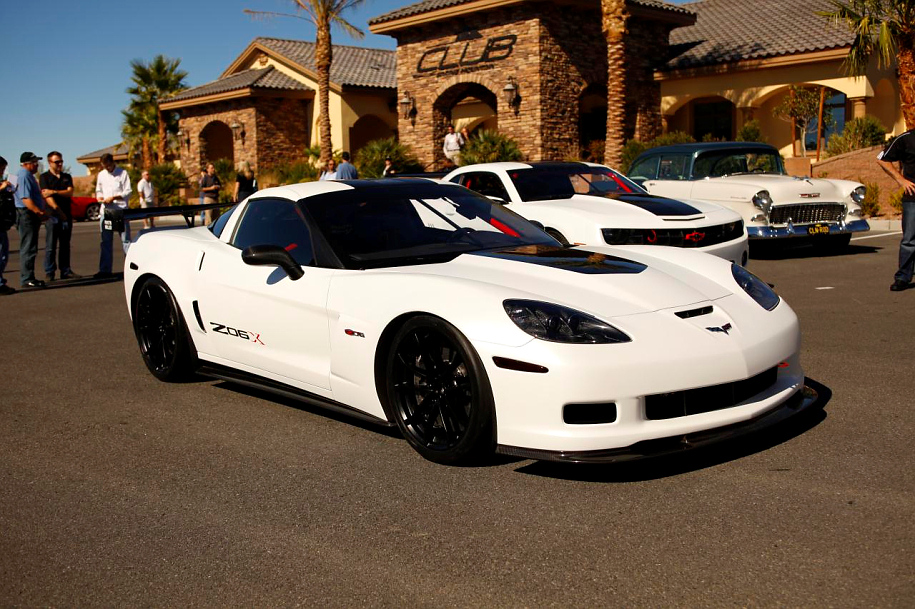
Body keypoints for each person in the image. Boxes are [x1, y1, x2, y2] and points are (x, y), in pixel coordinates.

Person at [877, 130, 915, 292]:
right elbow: (882, 159)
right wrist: (901, 180)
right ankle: (903, 277)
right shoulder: (906, 139)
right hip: (913, 199)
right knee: (909, 240)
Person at [40, 151, 81, 280]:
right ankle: (50, 271)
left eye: (61, 161)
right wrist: (58, 211)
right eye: (56, 162)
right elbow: (47, 197)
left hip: (66, 215)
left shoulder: (66, 177)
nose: (59, 164)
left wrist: (54, 191)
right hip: (53, 215)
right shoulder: (44, 177)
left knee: (65, 244)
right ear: (49, 163)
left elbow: (69, 193)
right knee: (51, 245)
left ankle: (65, 270)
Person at [14, 152, 50, 288]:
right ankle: (27, 278)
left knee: (30, 246)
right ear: (27, 163)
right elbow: (25, 199)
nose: (37, 164)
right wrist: (39, 212)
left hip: (28, 215)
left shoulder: (25, 175)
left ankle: (29, 276)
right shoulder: (24, 175)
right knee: (28, 247)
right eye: (35, 162)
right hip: (27, 215)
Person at [95, 152, 132, 279]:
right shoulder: (101, 175)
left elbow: (128, 191)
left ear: (112, 163)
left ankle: (130, 269)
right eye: (105, 166)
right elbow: (98, 190)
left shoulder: (123, 173)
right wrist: (100, 198)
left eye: (109, 166)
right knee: (105, 241)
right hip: (106, 211)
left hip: (120, 210)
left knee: (126, 240)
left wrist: (115, 197)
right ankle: (105, 270)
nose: (107, 168)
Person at [0, 156, 16, 295]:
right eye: (1, 169)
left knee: (3, 253)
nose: (2, 171)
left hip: (3, 223)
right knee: (1, 254)